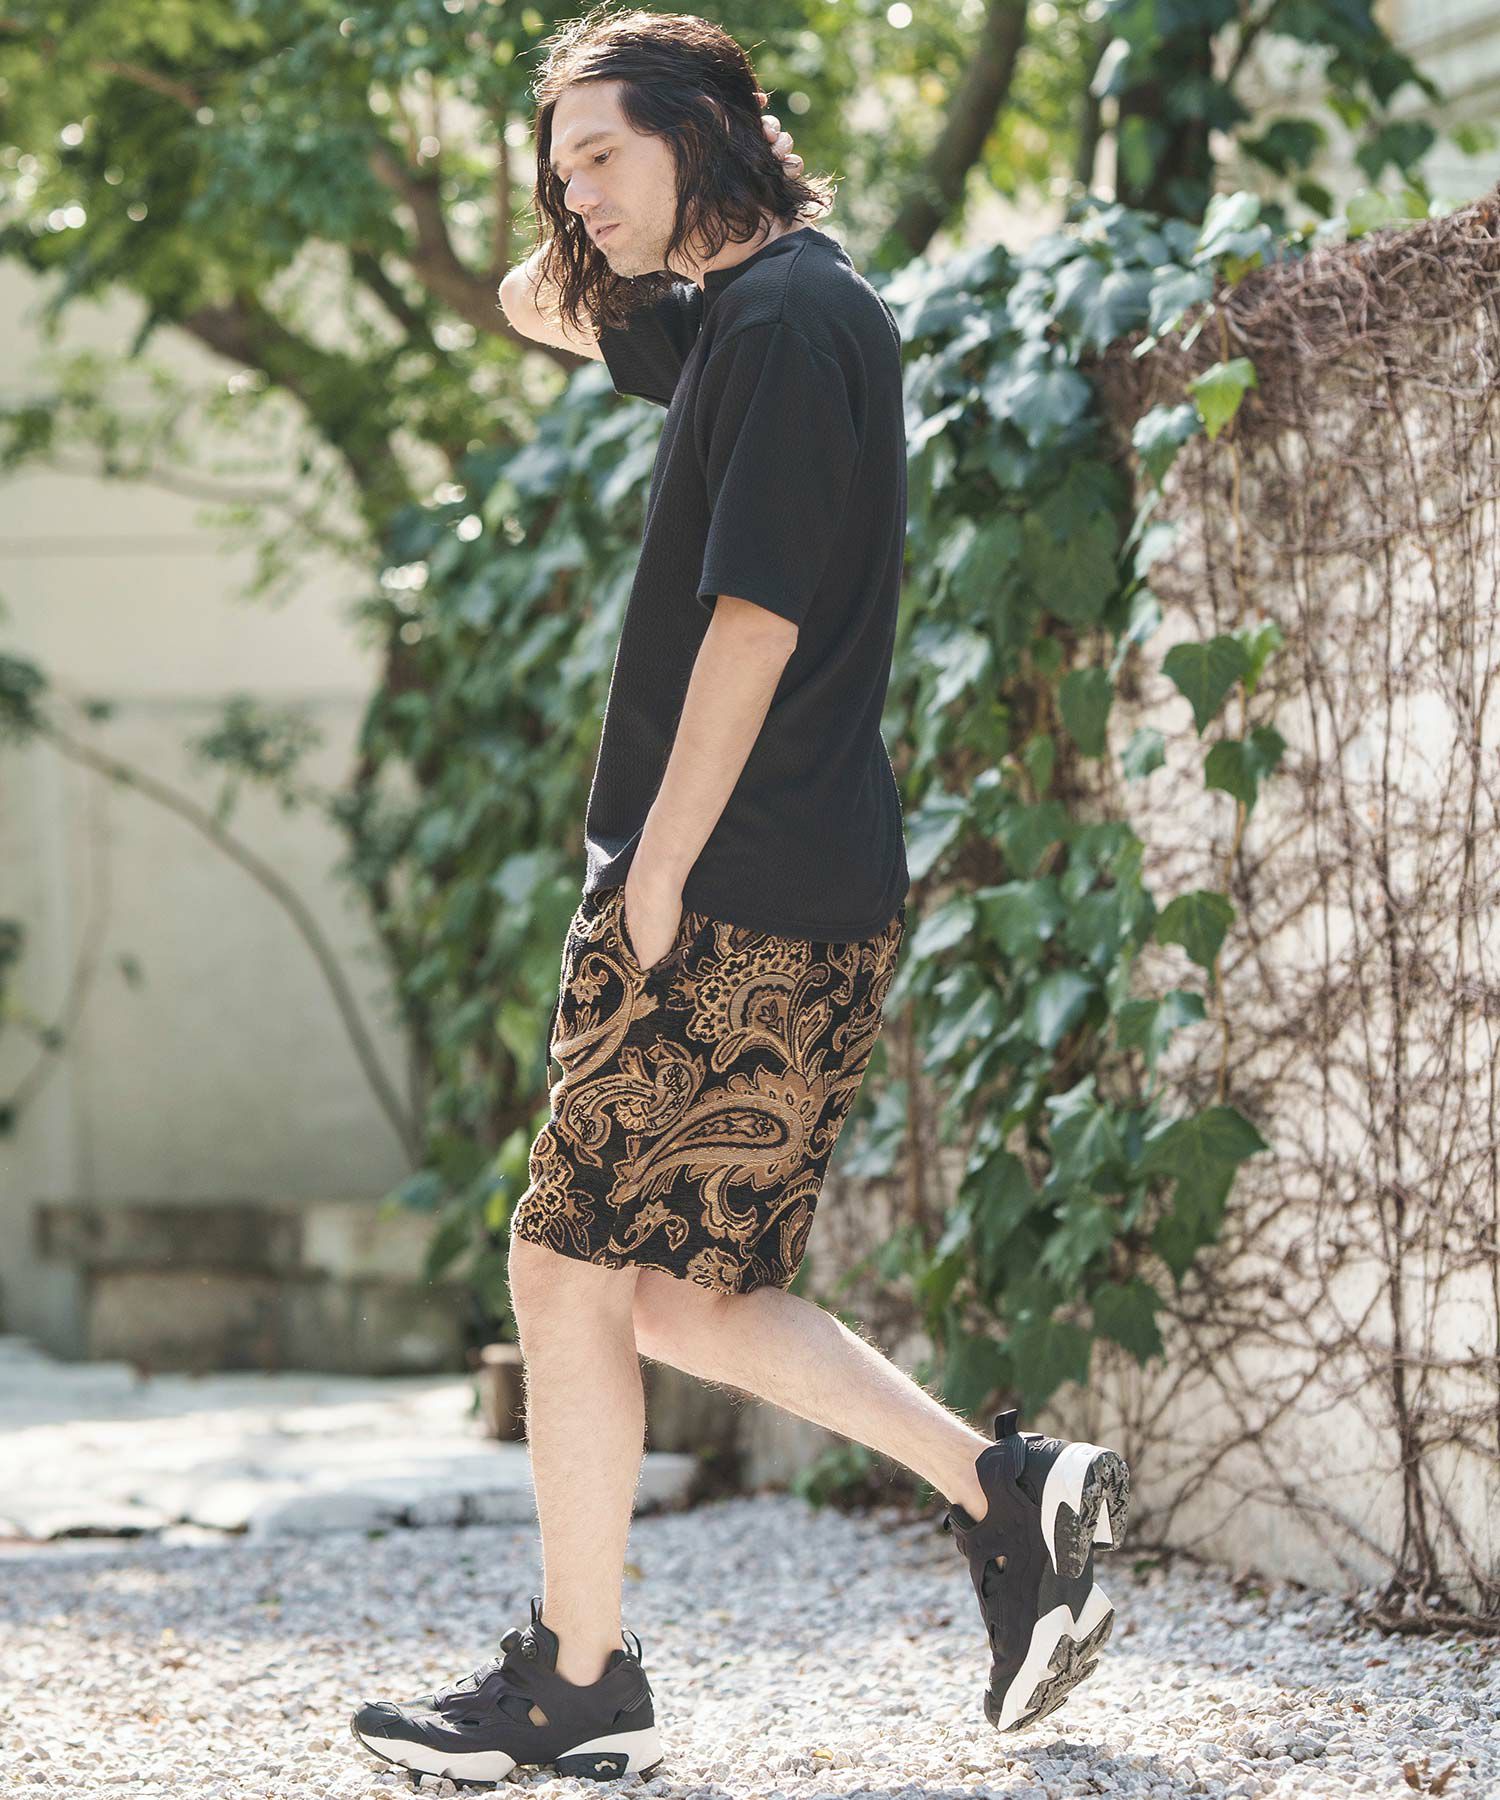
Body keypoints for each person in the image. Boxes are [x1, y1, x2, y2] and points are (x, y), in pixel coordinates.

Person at [350, 7, 1130, 1788]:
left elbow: (753, 621)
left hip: (727, 885)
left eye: (603, 154)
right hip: (802, 880)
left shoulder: (776, 328)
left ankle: (574, 1679)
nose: (574, 195)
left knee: (565, 1269)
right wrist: (595, 217)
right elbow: (537, 305)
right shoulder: (766, 315)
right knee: (683, 1297)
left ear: (701, 132)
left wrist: (659, 871)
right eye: (559, 167)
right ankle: (1003, 1491)